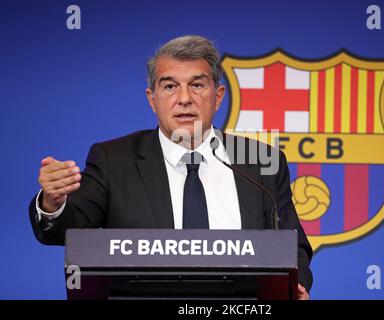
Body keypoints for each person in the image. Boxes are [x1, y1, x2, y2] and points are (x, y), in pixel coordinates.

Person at [29, 35, 313, 299]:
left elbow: (293, 246)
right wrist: (53, 203)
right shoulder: (113, 159)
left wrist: (295, 285)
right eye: (169, 86)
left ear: (218, 95)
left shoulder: (260, 162)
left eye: (198, 85)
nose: (185, 99)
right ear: (152, 99)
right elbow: (69, 229)